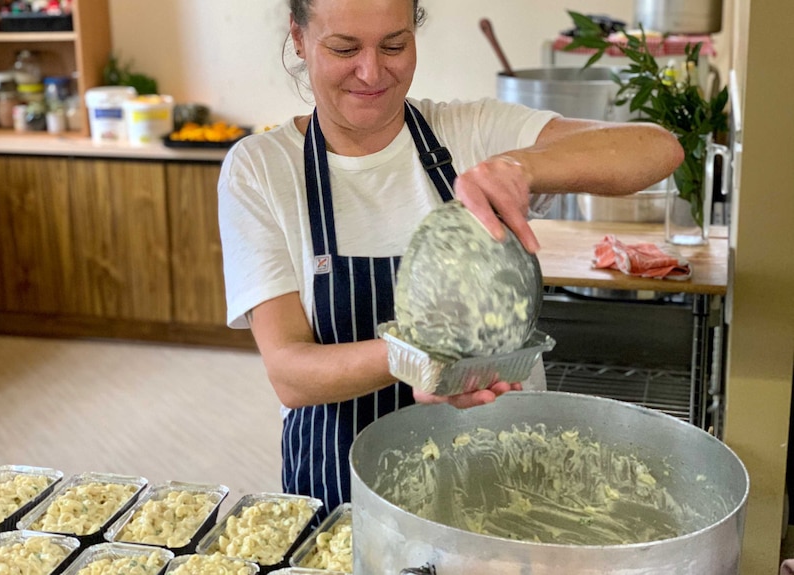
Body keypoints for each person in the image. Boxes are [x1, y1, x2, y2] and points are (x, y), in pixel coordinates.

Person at [218, 0, 683, 518]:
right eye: (344, 48)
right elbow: (291, 373)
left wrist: (520, 167)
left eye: (394, 45)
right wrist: (437, 360)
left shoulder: (472, 131)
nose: (372, 72)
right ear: (299, 39)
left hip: (507, 477)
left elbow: (658, 149)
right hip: (344, 491)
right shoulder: (261, 169)